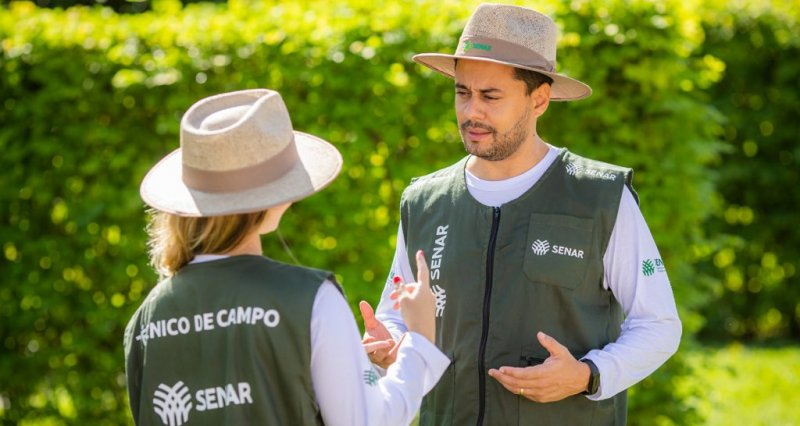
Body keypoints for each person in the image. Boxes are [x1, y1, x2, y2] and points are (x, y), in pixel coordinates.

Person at [359, 4, 682, 425]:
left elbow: (659, 324)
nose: (471, 111)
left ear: (540, 100)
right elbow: (395, 312)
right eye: (462, 92)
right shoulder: (423, 201)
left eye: (490, 96)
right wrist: (390, 343)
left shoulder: (598, 196)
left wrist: (588, 374)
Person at [124, 88, 449, 425]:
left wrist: (360, 371)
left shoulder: (145, 320)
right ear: (277, 196)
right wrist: (420, 340)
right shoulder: (311, 299)